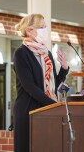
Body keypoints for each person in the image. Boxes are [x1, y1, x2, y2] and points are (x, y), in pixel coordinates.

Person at [12, 14, 69, 152]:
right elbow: (29, 87)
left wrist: (64, 68)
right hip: (28, 111)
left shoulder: (46, 53)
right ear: (30, 30)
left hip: (46, 110)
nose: (45, 30)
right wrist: (54, 105)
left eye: (45, 27)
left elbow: (54, 83)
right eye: (42, 27)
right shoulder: (21, 53)